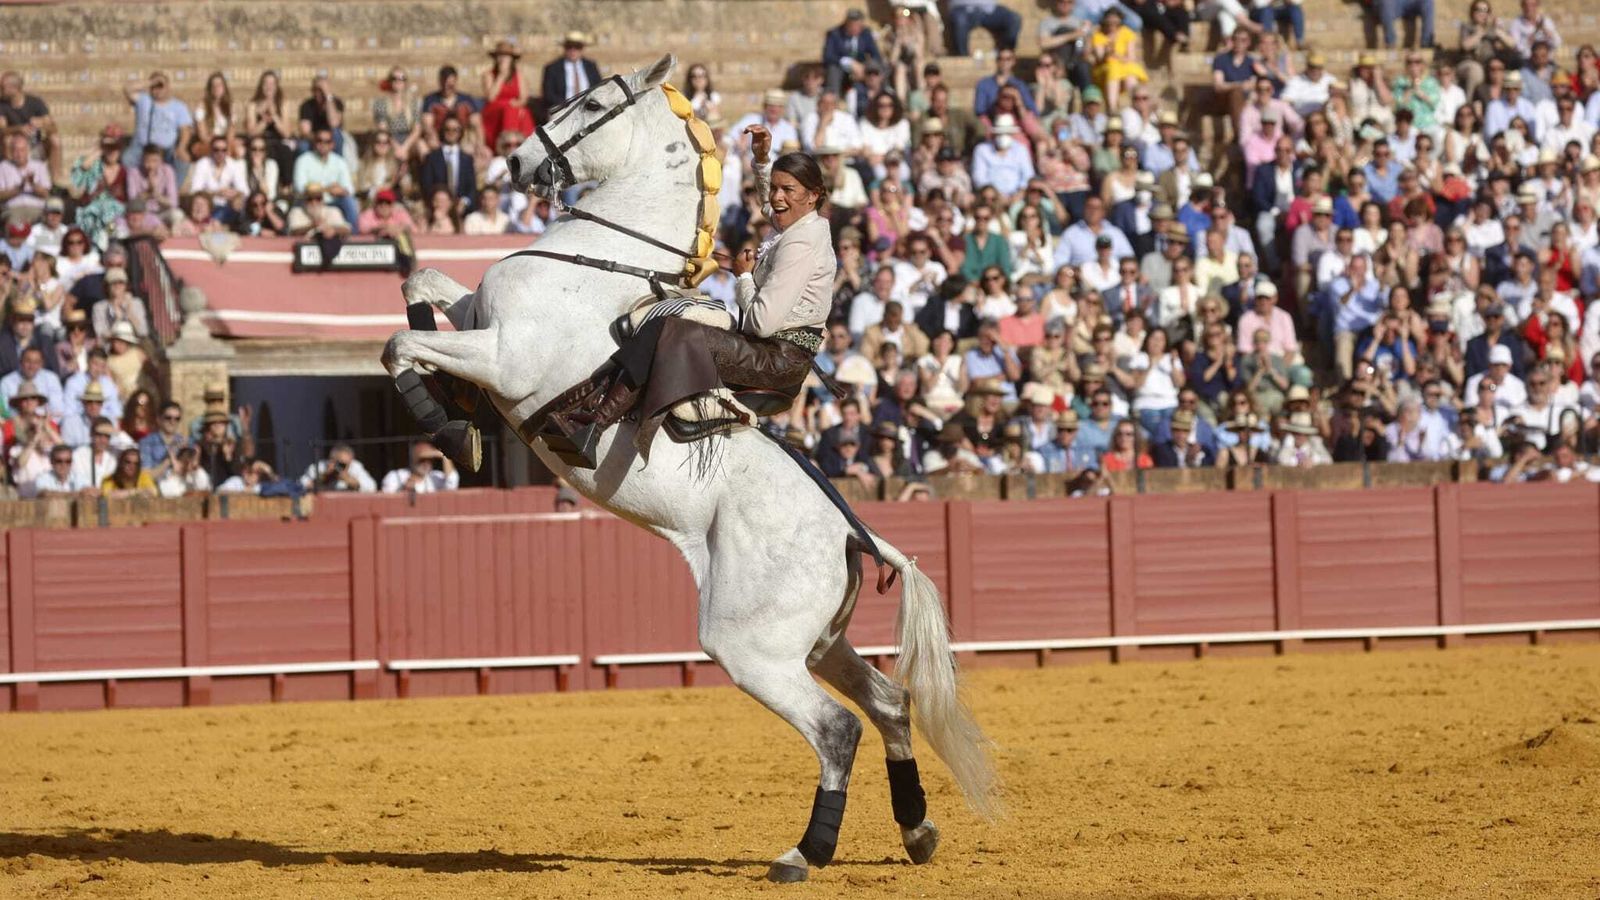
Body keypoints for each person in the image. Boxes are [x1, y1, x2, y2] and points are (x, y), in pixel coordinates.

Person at [563, 125, 835, 456]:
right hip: (775, 352)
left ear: (814, 195)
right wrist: (763, 160)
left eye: (788, 190)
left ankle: (594, 423)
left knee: (669, 330)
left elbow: (760, 323)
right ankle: (590, 419)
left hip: (777, 360)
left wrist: (744, 277)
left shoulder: (801, 242)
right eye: (776, 188)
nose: (777, 198)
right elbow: (770, 206)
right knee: (669, 315)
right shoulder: (803, 224)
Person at [422, 116, 478, 216]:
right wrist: (441, 203)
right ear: (442, 131)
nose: (451, 132)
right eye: (447, 129)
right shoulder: (431, 158)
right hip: (438, 209)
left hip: (462, 211)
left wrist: (464, 203)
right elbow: (427, 185)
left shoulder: (467, 159)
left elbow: (472, 187)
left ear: (460, 132)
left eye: (455, 129)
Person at [822, 9, 885, 95]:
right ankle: (833, 97)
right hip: (840, 66)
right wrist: (848, 62)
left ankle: (879, 94)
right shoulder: (834, 34)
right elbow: (828, 56)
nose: (855, 28)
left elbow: (876, 55)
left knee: (876, 66)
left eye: (858, 25)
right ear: (846, 24)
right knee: (833, 69)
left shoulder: (866, 33)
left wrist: (864, 68)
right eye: (852, 25)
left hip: (861, 67)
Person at [540, 33, 601, 114]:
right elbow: (548, 94)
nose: (573, 50)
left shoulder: (591, 66)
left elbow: (599, 87)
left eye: (577, 47)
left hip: (588, 110)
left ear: (582, 48)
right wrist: (567, 105)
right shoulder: (553, 68)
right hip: (562, 111)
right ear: (564, 48)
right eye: (569, 46)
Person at [947, 0, 1023, 57]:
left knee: (1014, 18)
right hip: (963, 8)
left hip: (989, 9)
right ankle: (963, 57)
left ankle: (1005, 54)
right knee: (960, 21)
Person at [381, 440, 459, 493]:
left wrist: (443, 456)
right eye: (422, 460)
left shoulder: (435, 476)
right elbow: (386, 502)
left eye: (429, 459)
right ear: (413, 459)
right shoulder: (395, 476)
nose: (426, 463)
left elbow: (452, 483)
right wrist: (403, 489)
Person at [301, 443, 377, 492]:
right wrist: (324, 477)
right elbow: (302, 485)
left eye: (346, 464)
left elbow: (372, 487)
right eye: (340, 464)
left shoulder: (355, 466)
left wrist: (352, 481)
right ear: (332, 461)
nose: (343, 467)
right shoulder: (318, 467)